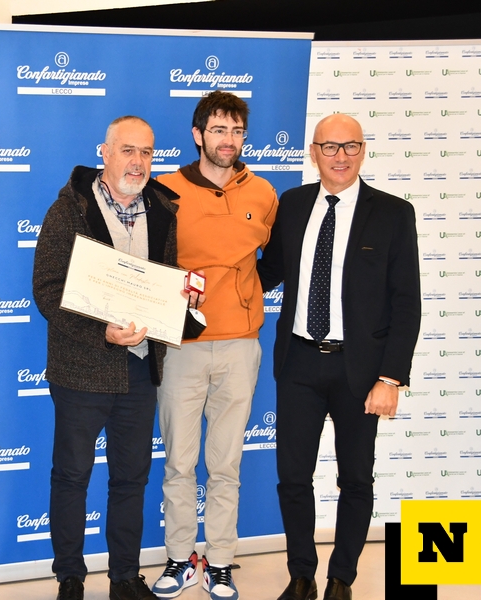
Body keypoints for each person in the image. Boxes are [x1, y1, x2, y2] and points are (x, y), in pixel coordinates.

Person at [257, 114, 421, 600]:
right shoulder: (292, 205)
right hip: (299, 362)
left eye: (351, 145)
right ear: (314, 153)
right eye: (330, 146)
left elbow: (406, 302)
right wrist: (211, 277)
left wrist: (390, 378)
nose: (341, 156)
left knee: (355, 479)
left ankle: (341, 578)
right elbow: (268, 273)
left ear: (363, 150)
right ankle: (302, 576)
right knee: (292, 477)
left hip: (362, 370)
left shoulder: (393, 213)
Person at [34, 116, 186, 600]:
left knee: (131, 479)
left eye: (146, 152)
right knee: (71, 477)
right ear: (104, 152)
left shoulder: (163, 209)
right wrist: (101, 332)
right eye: (127, 150)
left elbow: (167, 282)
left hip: (139, 370)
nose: (137, 162)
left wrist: (182, 303)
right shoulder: (69, 209)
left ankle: (124, 576)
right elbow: (47, 290)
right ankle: (70, 577)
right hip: (81, 370)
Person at [151, 91, 278, 600]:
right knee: (180, 462)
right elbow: (151, 259)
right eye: (219, 130)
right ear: (198, 134)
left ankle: (220, 561)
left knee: (226, 464)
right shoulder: (165, 189)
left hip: (240, 346)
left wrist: (245, 292)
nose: (229, 140)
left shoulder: (263, 193)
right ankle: (180, 558)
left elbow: (274, 260)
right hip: (181, 344)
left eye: (237, 131)